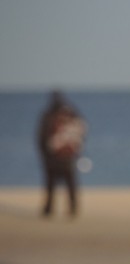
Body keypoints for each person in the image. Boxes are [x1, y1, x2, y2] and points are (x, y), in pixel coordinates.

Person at [37, 90, 87, 218]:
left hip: (53, 157)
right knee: (69, 184)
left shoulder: (48, 116)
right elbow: (81, 132)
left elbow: (41, 137)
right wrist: (77, 149)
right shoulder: (72, 114)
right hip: (67, 157)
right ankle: (72, 208)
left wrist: (44, 154)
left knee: (52, 185)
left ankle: (50, 209)